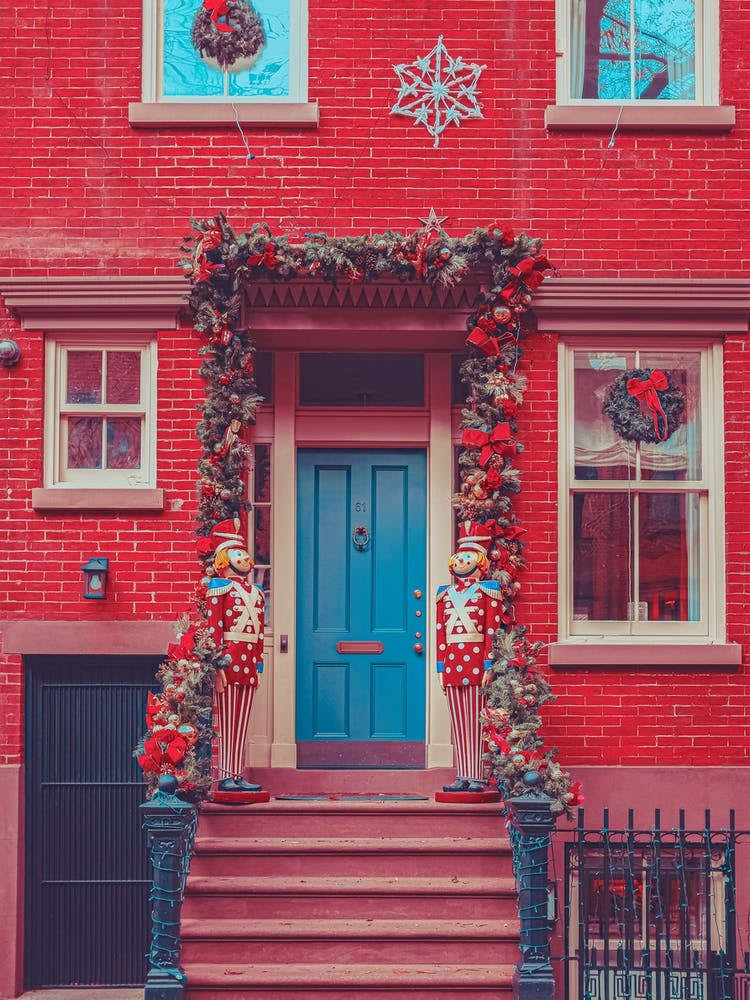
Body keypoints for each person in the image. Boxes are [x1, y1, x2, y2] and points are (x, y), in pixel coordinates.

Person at [435, 521, 505, 793]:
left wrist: (489, 663)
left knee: (476, 720)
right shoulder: (445, 594)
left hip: (477, 664)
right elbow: (441, 633)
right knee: (459, 720)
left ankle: (477, 775)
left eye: (469, 556)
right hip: (452, 664)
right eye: (460, 555)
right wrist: (440, 667)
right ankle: (462, 774)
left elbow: (492, 631)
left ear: (480, 561)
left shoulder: (487, 591)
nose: (463, 560)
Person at [203, 517, 266, 795]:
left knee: (242, 721)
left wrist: (259, 663)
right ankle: (226, 775)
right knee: (228, 721)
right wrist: (216, 666)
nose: (244, 557)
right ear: (224, 559)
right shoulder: (219, 587)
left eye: (244, 553)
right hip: (228, 663)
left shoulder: (256, 591)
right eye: (237, 553)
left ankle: (237, 774)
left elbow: (260, 632)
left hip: (249, 663)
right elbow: (215, 628)